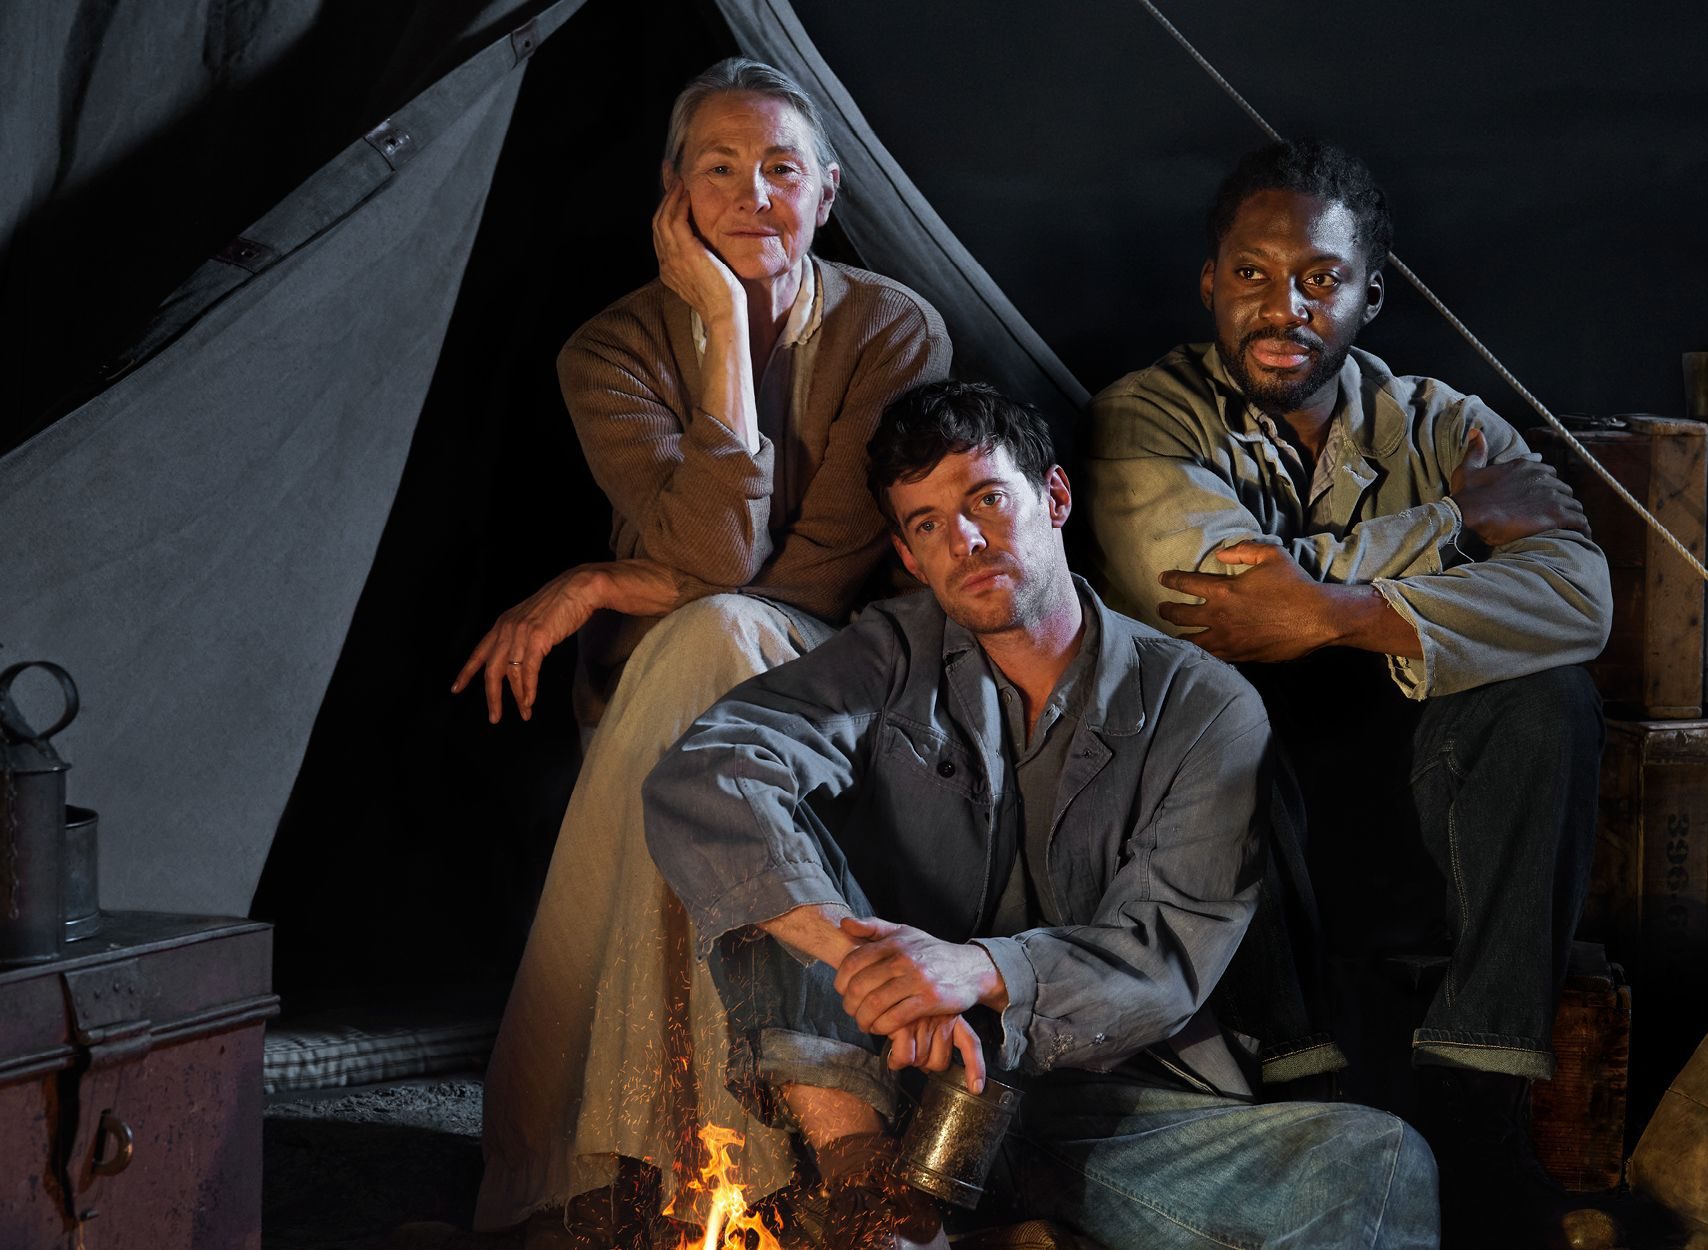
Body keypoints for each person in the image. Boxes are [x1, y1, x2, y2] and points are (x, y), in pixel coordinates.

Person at [643, 380, 1440, 1250]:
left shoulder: (1205, 708)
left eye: (987, 499)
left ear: (1053, 499)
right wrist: (883, 968)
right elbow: (708, 777)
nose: (967, 541)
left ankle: (991, 1226)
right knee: (763, 864)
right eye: (928, 525)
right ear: (910, 558)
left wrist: (976, 971)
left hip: (1099, 1109)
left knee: (1377, 1161)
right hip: (888, 1101)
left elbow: (1162, 954)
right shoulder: (886, 654)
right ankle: (877, 1211)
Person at [458, 58, 950, 1244]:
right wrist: (726, 326)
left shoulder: (893, 329)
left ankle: (617, 1156)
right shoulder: (610, 350)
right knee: (706, 636)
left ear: (827, 193)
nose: (753, 196)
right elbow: (725, 551)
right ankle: (780, 1155)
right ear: (672, 195)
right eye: (718, 170)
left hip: (839, 674)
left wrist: (595, 578)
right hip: (660, 681)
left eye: (781, 170)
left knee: (718, 626)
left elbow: (822, 567)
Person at [1084, 139, 1613, 1242]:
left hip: (1414, 788)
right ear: (1209, 283)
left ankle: (1477, 1098)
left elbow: (1578, 592)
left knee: (1548, 697)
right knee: (1205, 693)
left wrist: (1335, 613)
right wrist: (1459, 527)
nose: (1282, 306)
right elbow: (1205, 591)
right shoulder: (1150, 413)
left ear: (1370, 293)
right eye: (1251, 275)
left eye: (1319, 278)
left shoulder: (1441, 421)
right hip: (1248, 806)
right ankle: (1297, 1066)